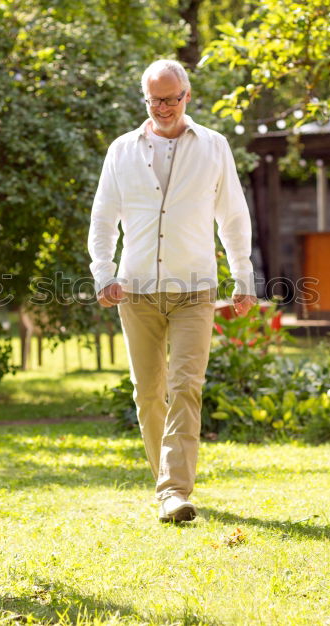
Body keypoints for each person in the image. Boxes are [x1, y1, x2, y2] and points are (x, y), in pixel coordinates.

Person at [88, 59, 257, 523]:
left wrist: (244, 278)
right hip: (136, 291)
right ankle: (166, 483)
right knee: (149, 393)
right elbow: (103, 218)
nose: (163, 108)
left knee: (186, 387)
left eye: (171, 98)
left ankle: (174, 490)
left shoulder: (214, 147)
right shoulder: (121, 150)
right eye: (154, 99)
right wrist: (103, 273)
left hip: (195, 290)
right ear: (145, 99)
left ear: (187, 95)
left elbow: (233, 216)